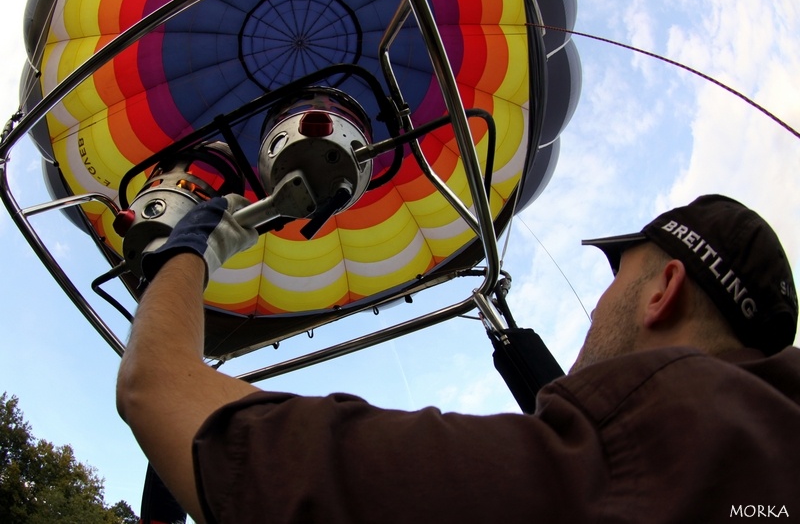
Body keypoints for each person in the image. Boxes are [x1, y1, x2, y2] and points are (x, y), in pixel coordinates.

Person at [117, 194, 800, 523]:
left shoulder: (589, 473)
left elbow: (157, 388)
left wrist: (191, 245)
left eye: (615, 281)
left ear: (663, 291)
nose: (595, 310)